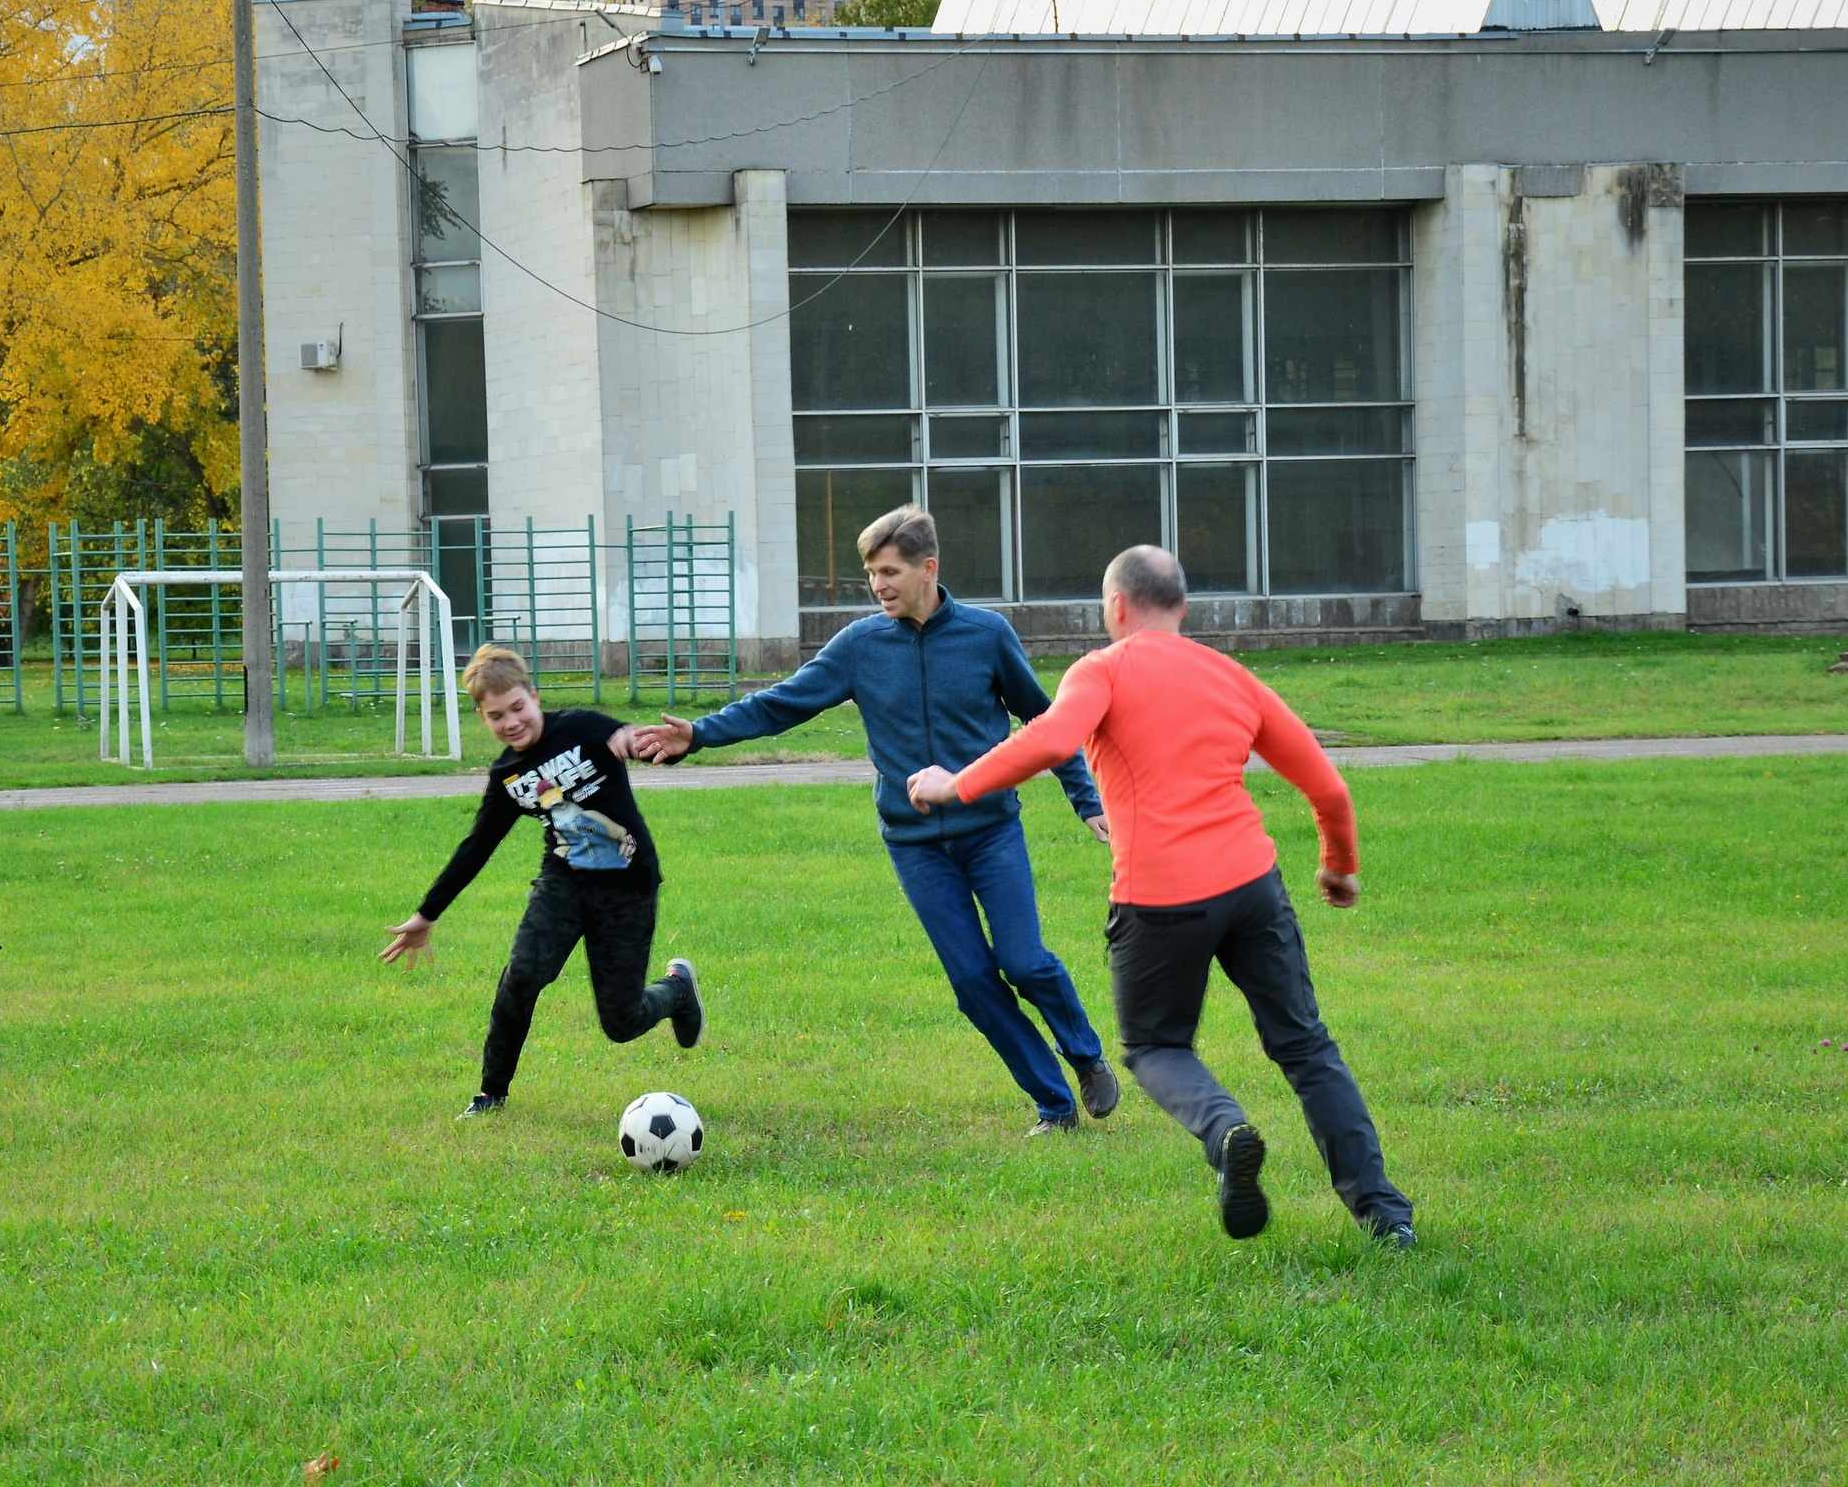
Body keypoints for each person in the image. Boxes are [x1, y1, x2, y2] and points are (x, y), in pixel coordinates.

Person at [907, 545, 1416, 1244]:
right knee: (1306, 1048)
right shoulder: (1232, 676)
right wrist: (1338, 865)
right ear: (1181, 607)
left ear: (1116, 607)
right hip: (1252, 886)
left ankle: (1226, 1129)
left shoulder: (1103, 670)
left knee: (1154, 1046)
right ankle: (1386, 1218)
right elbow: (1328, 787)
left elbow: (1053, 739)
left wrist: (954, 783)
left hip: (1159, 898)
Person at [628, 506, 1119, 1135]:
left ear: (928, 569)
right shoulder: (860, 645)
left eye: (889, 571)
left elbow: (1046, 722)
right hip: (914, 846)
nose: (877, 585)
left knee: (1024, 963)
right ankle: (1054, 1106)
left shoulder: (987, 634)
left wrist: (1086, 799)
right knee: (972, 982)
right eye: (870, 574)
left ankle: (1085, 1055)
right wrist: (699, 734)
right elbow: (782, 703)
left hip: (991, 831)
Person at [380, 644, 705, 1117]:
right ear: (483, 718)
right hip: (563, 882)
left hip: (627, 884)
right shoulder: (508, 775)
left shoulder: (579, 726)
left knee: (622, 1022)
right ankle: (492, 1091)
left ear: (534, 696)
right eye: (496, 716)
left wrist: (634, 739)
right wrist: (426, 915)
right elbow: (476, 847)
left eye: (518, 707)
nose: (511, 722)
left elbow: (644, 745)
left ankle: (676, 988)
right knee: (524, 973)